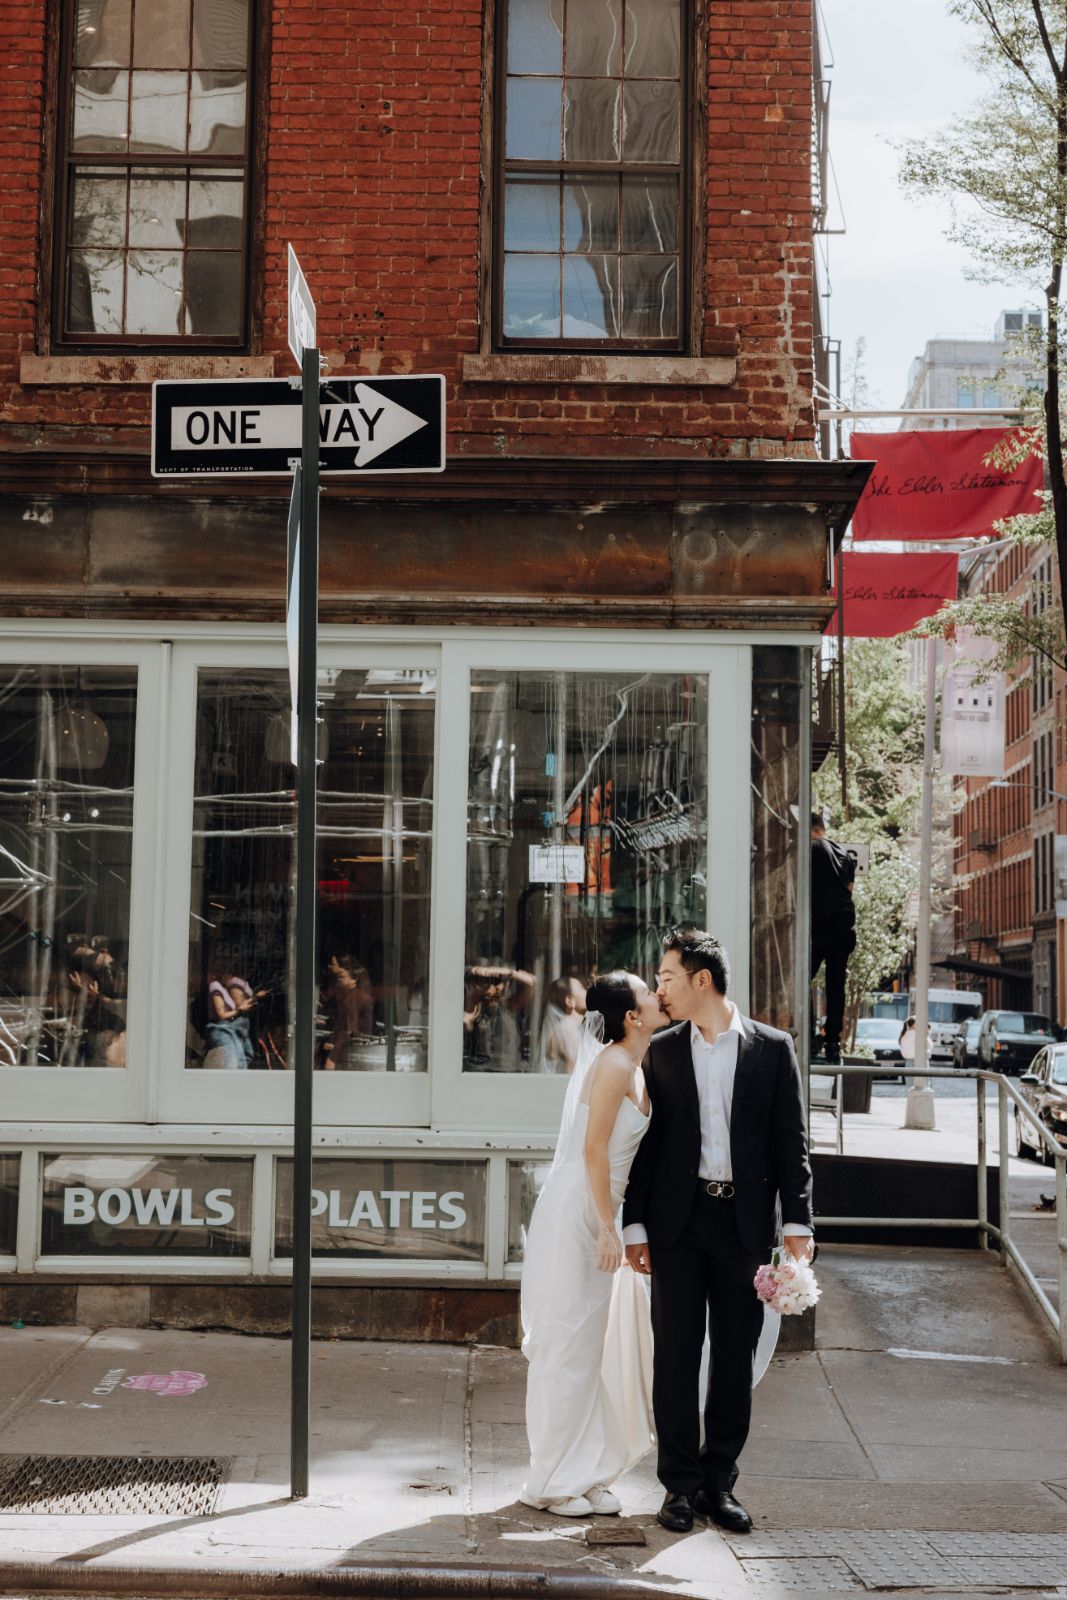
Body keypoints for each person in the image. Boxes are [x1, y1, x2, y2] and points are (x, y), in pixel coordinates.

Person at [623, 927, 814, 1536]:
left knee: (733, 1361)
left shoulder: (773, 1048)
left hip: (745, 1228)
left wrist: (799, 1221)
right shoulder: (664, 1049)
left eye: (668, 978)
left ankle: (718, 1483)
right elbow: (645, 1147)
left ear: (701, 980)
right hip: (677, 1225)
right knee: (675, 1358)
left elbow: (793, 1143)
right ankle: (678, 1487)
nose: (660, 989)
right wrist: (634, 1224)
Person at [520, 970, 662, 1516]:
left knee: (592, 1347)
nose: (658, 996)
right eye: (649, 994)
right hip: (579, 1213)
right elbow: (594, 1152)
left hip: (601, 1208)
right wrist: (608, 1229)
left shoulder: (638, 1064)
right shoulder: (613, 1065)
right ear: (630, 1016)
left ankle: (589, 1469)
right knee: (566, 1345)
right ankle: (550, 1480)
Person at [810, 812, 857, 1065]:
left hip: (820, 924)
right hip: (844, 925)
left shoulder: (812, 850)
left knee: (802, 979)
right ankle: (832, 1042)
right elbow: (850, 891)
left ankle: (806, 1031)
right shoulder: (845, 855)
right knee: (836, 985)